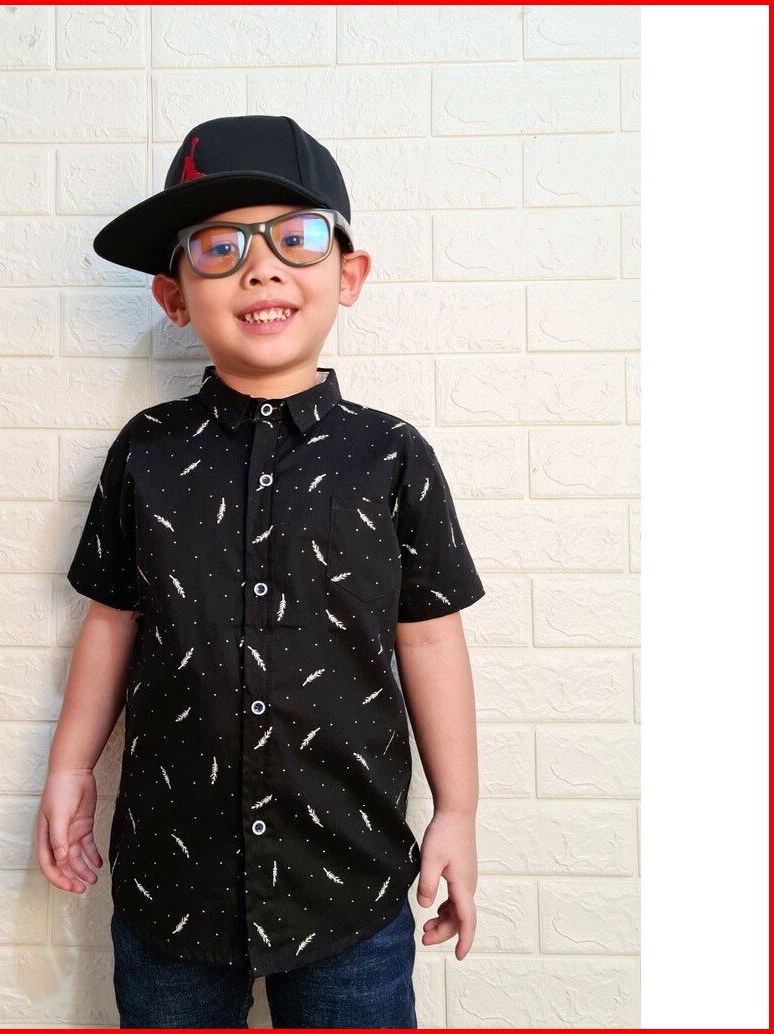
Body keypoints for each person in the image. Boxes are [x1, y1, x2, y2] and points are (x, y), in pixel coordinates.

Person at [36, 115, 485, 1030]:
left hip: (349, 880)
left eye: (296, 238)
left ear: (348, 275)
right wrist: (71, 767)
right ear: (172, 296)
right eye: (220, 247)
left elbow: (432, 639)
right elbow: (111, 622)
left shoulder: (392, 457)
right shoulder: (145, 453)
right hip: (172, 881)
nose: (262, 269)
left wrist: (459, 811)